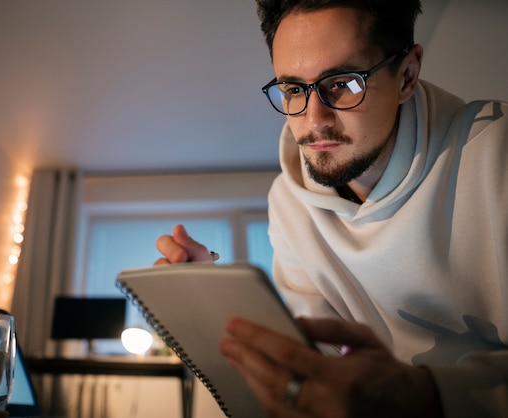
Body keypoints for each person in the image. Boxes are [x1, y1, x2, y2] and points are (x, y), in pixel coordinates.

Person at [155, 1, 508, 417]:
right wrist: (217, 306)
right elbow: (318, 361)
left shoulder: (496, 158)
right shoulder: (288, 203)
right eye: (293, 90)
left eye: (342, 83)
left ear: (408, 75)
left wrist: (428, 395)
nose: (313, 118)